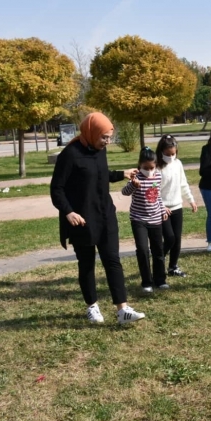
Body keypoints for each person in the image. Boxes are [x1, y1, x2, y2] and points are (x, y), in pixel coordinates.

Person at [50, 112, 145, 324]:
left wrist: (122, 173)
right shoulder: (70, 155)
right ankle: (92, 306)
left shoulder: (99, 151)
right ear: (91, 132)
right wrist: (69, 212)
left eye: (109, 137)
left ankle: (123, 310)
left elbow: (100, 175)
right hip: (82, 219)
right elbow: (56, 189)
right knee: (87, 264)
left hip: (105, 215)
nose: (107, 141)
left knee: (113, 260)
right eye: (104, 137)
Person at [121, 147, 169, 293]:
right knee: (142, 250)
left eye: (152, 168)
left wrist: (162, 210)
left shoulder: (158, 176)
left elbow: (157, 196)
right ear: (139, 165)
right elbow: (124, 192)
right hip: (138, 219)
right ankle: (146, 282)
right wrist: (132, 185)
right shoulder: (136, 178)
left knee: (158, 250)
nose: (149, 171)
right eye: (145, 168)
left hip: (155, 219)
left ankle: (160, 280)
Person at [156, 135, 197, 277]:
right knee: (170, 238)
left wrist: (191, 200)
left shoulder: (178, 164)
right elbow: (153, 191)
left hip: (177, 206)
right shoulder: (156, 167)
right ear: (161, 152)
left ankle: (173, 267)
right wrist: (161, 206)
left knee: (177, 239)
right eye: (167, 154)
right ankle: (158, 259)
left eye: (173, 154)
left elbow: (183, 183)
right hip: (162, 208)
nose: (171, 157)